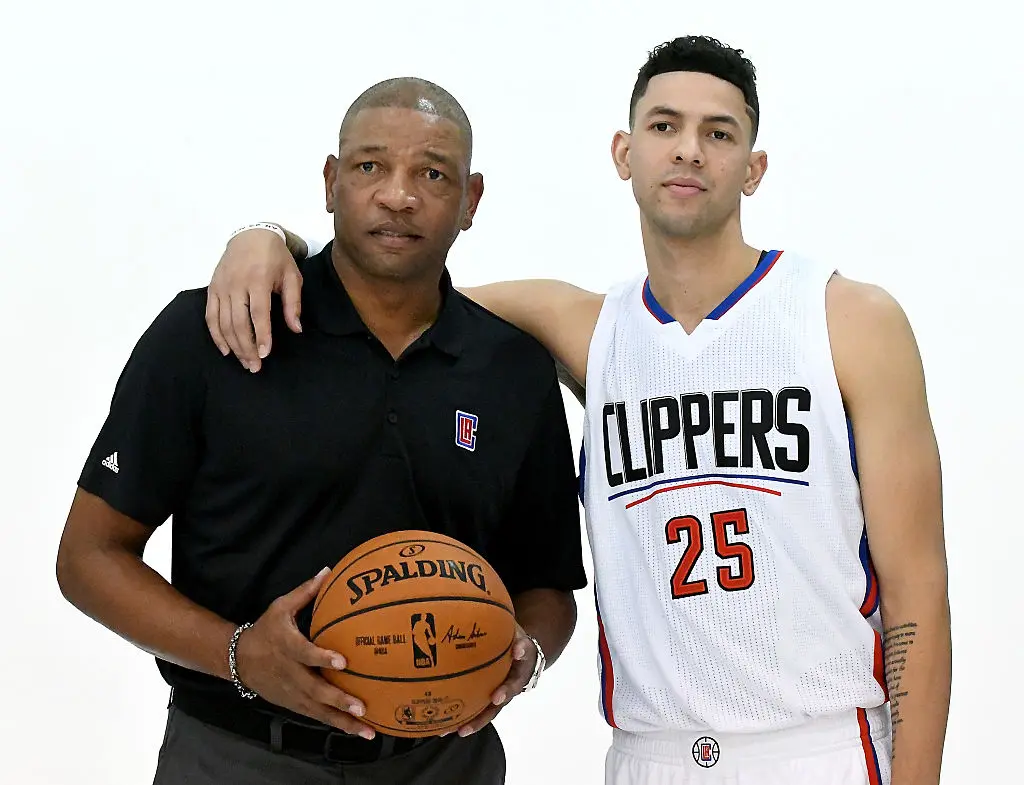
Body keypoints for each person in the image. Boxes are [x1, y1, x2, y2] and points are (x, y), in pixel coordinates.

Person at [206, 35, 953, 785]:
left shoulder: (847, 319)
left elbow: (917, 593)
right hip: (650, 755)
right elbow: (386, 289)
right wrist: (270, 237)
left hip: (817, 747)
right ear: (625, 153)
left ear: (752, 169)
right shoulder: (585, 329)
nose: (688, 151)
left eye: (717, 133)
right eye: (664, 127)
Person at [56, 76, 589, 785]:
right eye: (370, 166)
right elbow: (88, 556)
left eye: (432, 173)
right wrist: (241, 654)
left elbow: (549, 587)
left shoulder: (513, 368)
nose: (398, 195)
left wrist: (527, 652)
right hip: (236, 755)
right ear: (331, 181)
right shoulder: (212, 331)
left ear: (471, 201)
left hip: (444, 761)